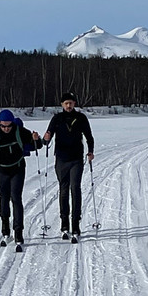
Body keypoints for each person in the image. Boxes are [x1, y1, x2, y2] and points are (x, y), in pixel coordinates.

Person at [0, 109, 41, 245]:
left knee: (16, 198)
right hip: (2, 170)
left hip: (17, 168)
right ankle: (5, 230)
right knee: (4, 198)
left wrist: (36, 139)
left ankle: (18, 233)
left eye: (9, 126)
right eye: (3, 126)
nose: (6, 129)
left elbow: (37, 145)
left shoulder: (19, 130)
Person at [42, 92, 95, 238]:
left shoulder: (81, 118)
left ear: (74, 104)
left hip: (76, 158)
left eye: (71, 103)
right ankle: (64, 222)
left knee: (75, 189)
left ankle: (75, 223)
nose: (68, 105)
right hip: (61, 159)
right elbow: (47, 139)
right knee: (63, 190)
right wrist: (45, 139)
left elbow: (89, 137)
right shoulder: (57, 118)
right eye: (66, 103)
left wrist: (90, 151)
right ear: (62, 105)